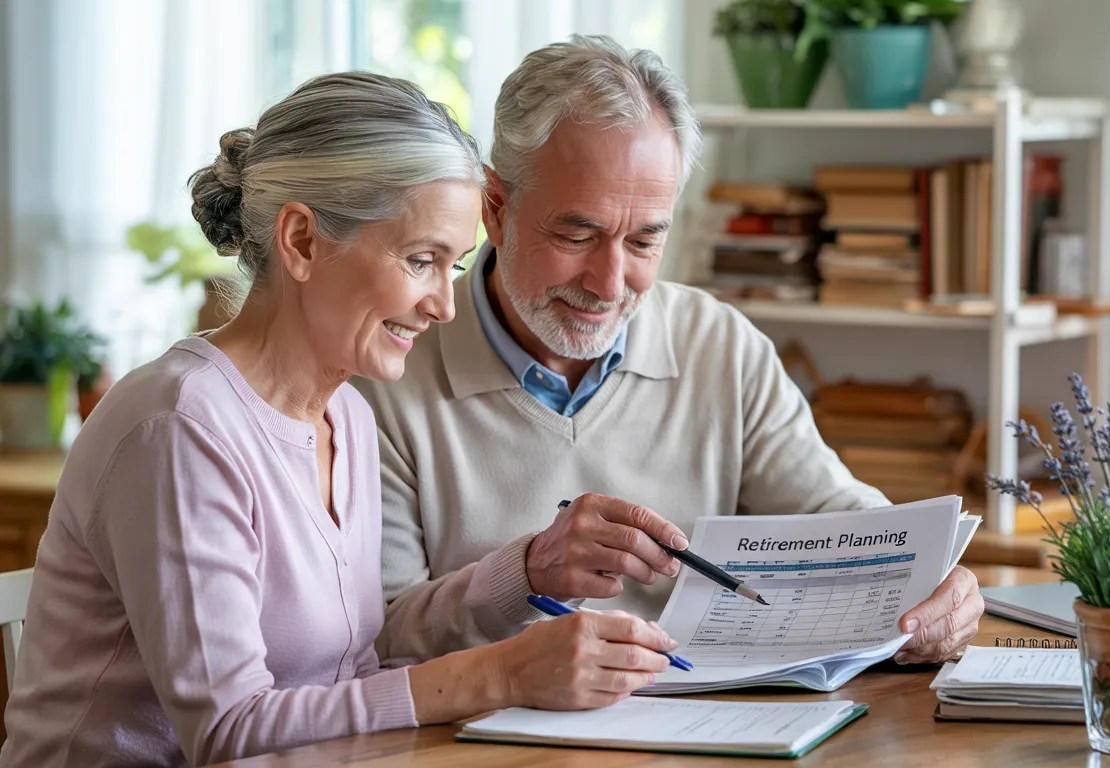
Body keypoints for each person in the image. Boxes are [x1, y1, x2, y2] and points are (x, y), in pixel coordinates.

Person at [0, 72, 678, 768]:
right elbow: (228, 733)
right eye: (421, 261)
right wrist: (500, 672)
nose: (444, 306)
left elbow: (351, 672)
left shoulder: (347, 416)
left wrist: (528, 574)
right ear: (300, 241)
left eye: (456, 266)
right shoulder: (178, 426)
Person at [354, 36, 984, 671]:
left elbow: (837, 518)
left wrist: (926, 582)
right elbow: (376, 639)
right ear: (496, 207)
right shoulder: (386, 372)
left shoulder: (720, 345)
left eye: (644, 241)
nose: (608, 282)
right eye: (577, 234)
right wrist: (525, 573)